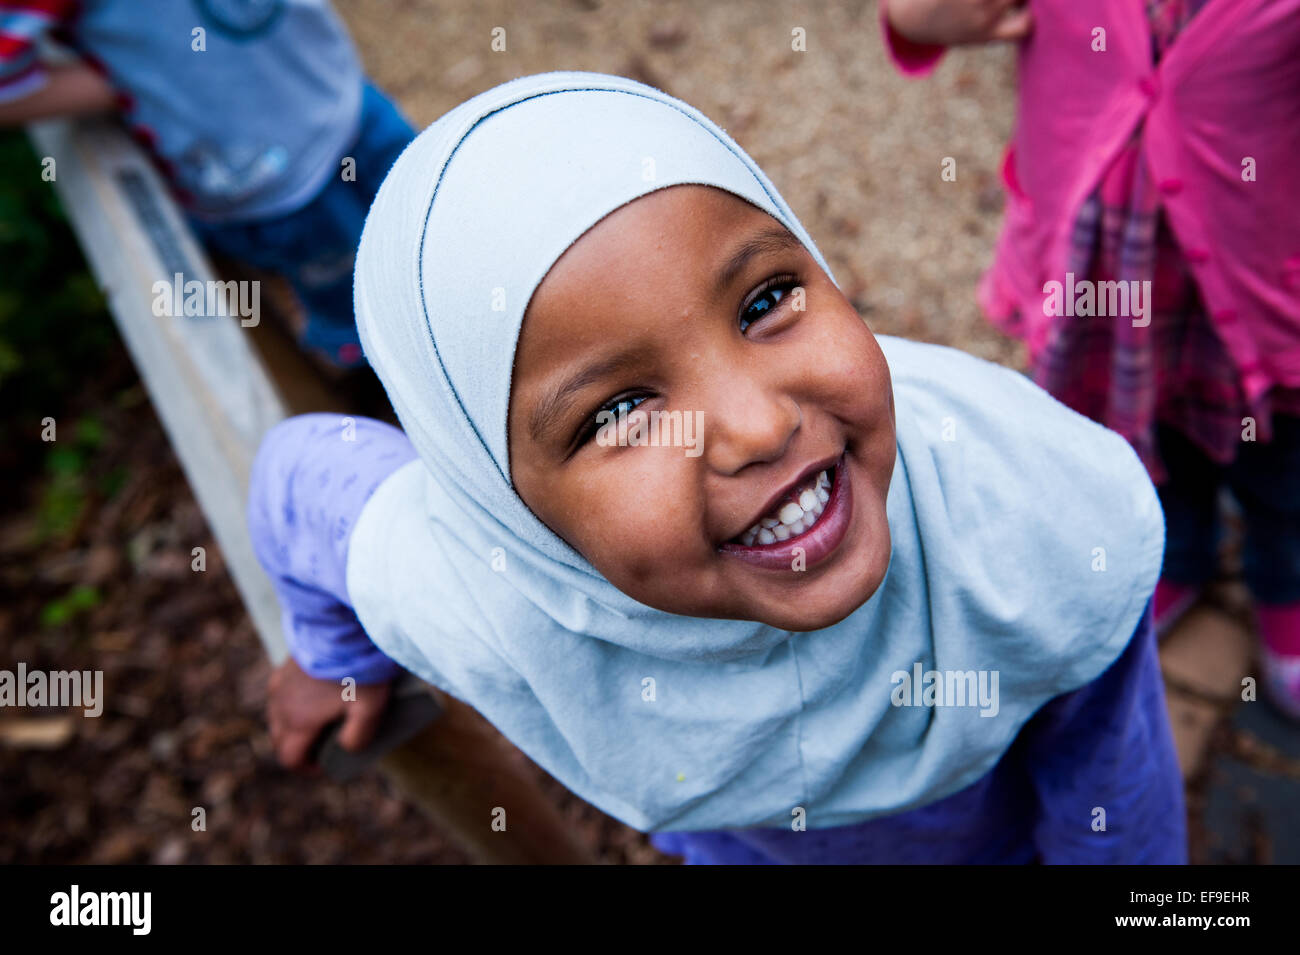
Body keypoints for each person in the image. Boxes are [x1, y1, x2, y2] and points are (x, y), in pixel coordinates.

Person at [248, 71, 1185, 863]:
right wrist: (337, 656)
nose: (755, 428)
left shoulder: (1036, 514)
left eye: (769, 297)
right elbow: (300, 478)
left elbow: (1114, 799)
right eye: (618, 411)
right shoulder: (483, 590)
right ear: (504, 509)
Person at [879, 0, 1300, 718]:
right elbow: (925, 19)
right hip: (1104, 274)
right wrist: (926, 15)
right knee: (1138, 434)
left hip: (1260, 282)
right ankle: (1177, 555)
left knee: (1282, 465)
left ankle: (1285, 589)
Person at [0, 0, 414, 369]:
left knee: (426, 215)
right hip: (268, 184)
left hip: (335, 89)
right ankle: (384, 381)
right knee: (360, 302)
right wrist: (124, 81)